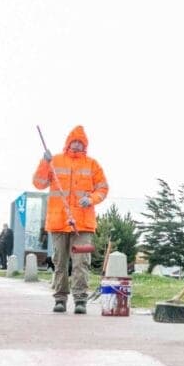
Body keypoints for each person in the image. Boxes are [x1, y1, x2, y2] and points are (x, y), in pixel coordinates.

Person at [32, 125, 108, 314]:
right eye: (74, 141)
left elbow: (103, 188)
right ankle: (60, 299)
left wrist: (90, 199)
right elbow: (39, 183)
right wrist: (44, 163)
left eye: (80, 142)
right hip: (58, 224)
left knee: (82, 262)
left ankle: (80, 300)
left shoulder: (92, 164)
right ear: (68, 142)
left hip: (83, 225)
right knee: (60, 261)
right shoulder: (54, 161)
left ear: (85, 145)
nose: (76, 145)